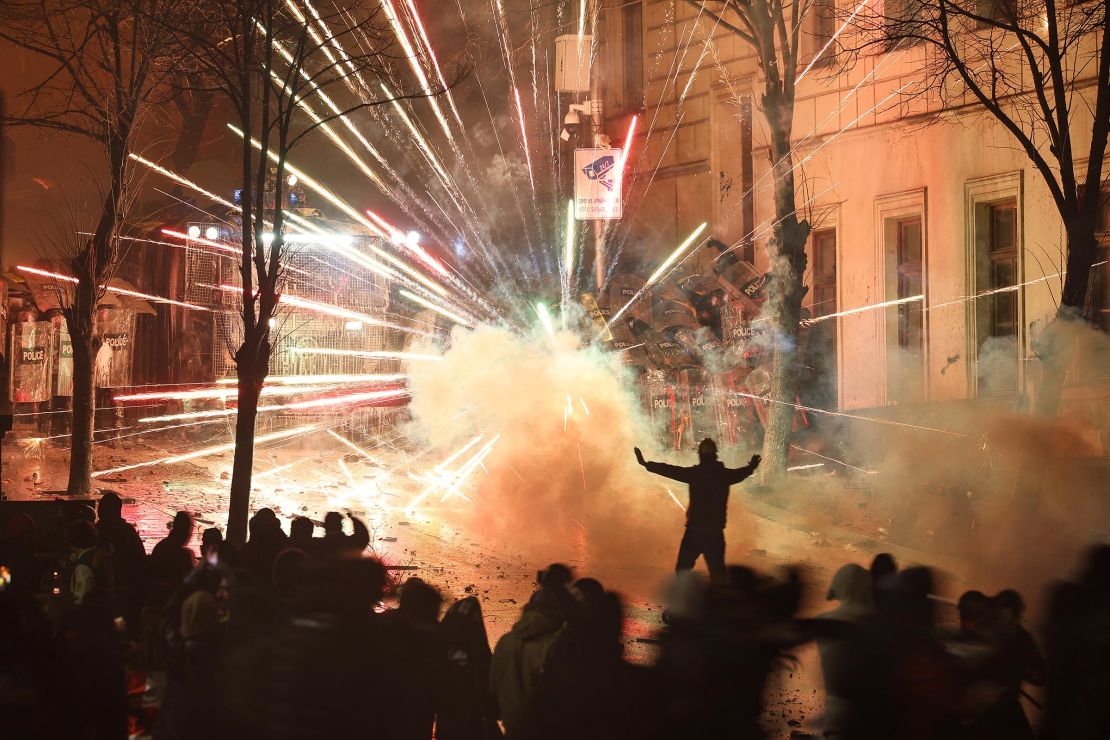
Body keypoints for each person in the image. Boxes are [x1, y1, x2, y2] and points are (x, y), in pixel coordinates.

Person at [634, 438, 760, 582]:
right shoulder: (724, 475)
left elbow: (671, 470)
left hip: (694, 532)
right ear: (715, 455)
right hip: (714, 534)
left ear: (700, 455)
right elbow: (740, 473)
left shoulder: (695, 474)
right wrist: (750, 468)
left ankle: (686, 601)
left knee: (682, 570)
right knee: (718, 575)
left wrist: (647, 464)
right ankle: (719, 603)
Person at [437, 596, 501, 740]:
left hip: (448, 727)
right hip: (475, 726)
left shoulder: (436, 653)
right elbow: (491, 697)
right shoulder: (477, 656)